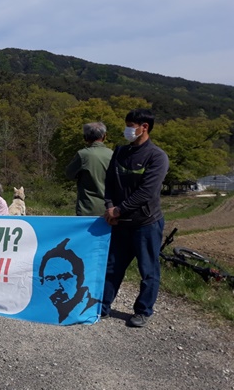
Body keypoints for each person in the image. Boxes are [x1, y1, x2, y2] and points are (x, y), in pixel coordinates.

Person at [101, 109, 169, 328]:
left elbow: (147, 192)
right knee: (112, 267)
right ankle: (101, 306)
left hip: (146, 224)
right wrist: (110, 207)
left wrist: (119, 210)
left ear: (144, 127)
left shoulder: (156, 156)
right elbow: (110, 182)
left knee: (148, 271)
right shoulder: (120, 152)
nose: (127, 130)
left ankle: (143, 311)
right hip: (120, 224)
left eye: (131, 125)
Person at [39, 238, 100, 324]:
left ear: (80, 279)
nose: (58, 286)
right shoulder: (40, 310)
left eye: (64, 277)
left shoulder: (90, 309)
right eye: (51, 279)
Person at [65, 122, 113, 216]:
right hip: (109, 208)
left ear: (85, 137)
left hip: (87, 208)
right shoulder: (112, 154)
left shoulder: (83, 155)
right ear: (104, 136)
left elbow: (69, 174)